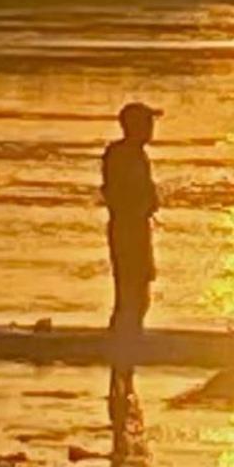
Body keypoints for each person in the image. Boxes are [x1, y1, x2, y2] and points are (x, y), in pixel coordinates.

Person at [102, 101, 160, 336]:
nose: (151, 128)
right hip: (127, 230)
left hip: (137, 228)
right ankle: (123, 340)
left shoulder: (136, 155)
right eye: (147, 123)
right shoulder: (120, 155)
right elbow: (117, 195)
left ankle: (129, 337)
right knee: (130, 289)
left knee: (140, 287)